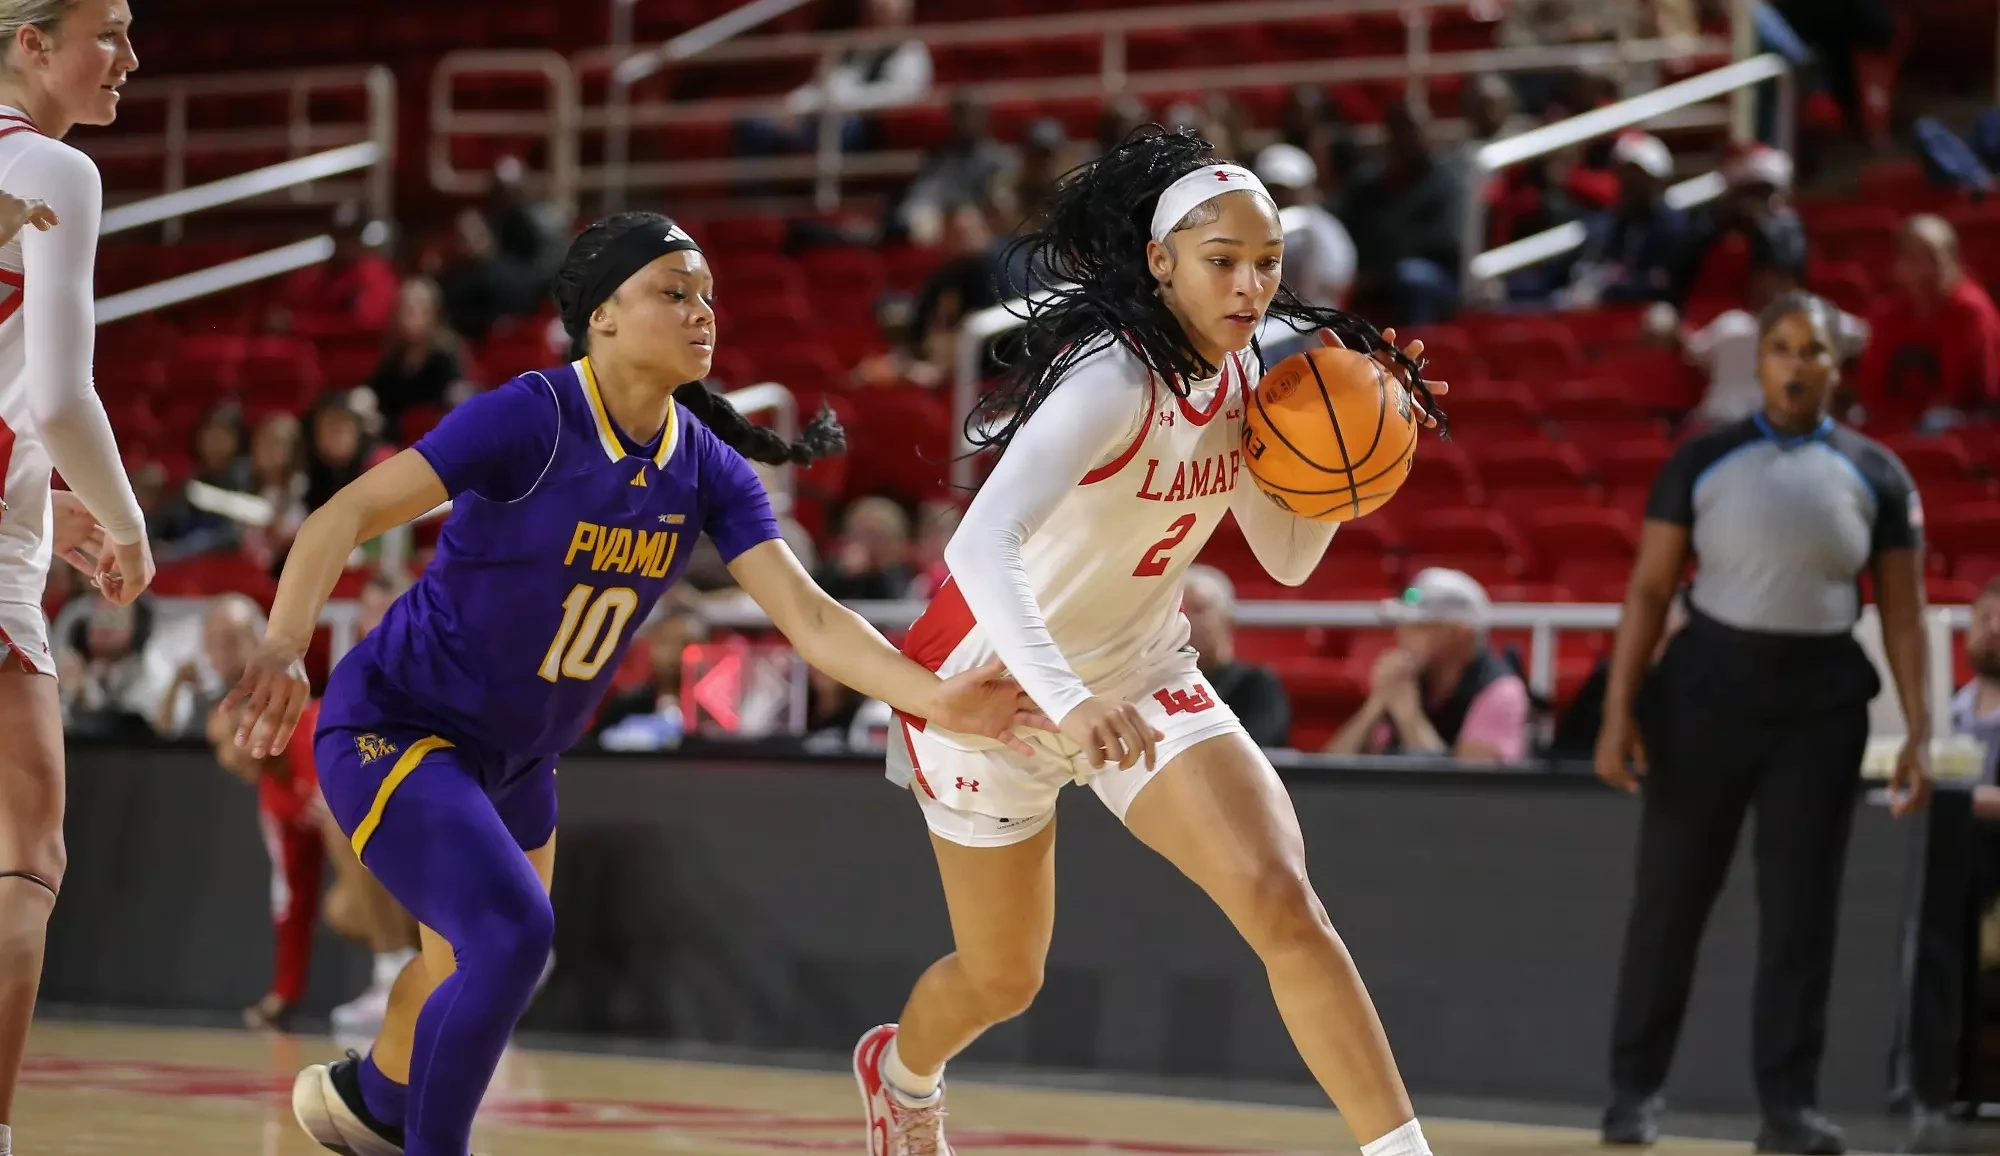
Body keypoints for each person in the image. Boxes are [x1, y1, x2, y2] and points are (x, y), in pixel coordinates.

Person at [222, 211, 1050, 1156]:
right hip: (400, 723)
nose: (702, 312)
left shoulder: (706, 468)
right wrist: (288, 644)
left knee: (473, 960)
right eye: (673, 292)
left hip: (521, 759)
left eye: (706, 295)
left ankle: (371, 1099)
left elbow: (812, 618)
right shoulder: (530, 417)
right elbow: (348, 512)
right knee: (510, 941)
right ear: (603, 316)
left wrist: (935, 699)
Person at [861, 127, 1447, 1156]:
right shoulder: (1109, 380)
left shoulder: (1247, 368)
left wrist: (1350, 456)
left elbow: (1287, 554)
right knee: (1003, 976)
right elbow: (979, 546)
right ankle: (901, 1073)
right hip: (992, 683)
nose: (1250, 285)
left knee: (1281, 901)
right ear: (1160, 260)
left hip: (1137, 669)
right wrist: (1066, 699)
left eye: (1266, 263)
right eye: (1222, 261)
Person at [1595, 290, 1934, 1154]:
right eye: (1779, 348)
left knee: (1801, 914)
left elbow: (1901, 611)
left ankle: (1788, 1108)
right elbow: (1647, 590)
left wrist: (1922, 732)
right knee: (1670, 901)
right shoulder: (1702, 458)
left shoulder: (1880, 473)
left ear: (1835, 365)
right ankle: (1634, 1092)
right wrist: (1618, 710)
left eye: (1809, 351)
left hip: (1819, 707)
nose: (1793, 364)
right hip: (1704, 693)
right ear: (1763, 362)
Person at [0, 7, 149, 1151]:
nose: (132, 59)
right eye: (110, 31)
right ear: (32, 43)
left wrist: (49, 503)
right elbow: (56, 394)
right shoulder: (51, 165)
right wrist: (122, 516)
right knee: (25, 857)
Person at [1322, 568, 1530, 765]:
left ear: (1459, 634)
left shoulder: (1501, 690)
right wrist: (1376, 704)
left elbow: (1468, 789)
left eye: (1420, 627)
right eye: (1403, 625)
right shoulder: (1410, 680)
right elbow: (1330, 771)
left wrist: (1409, 718)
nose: (1402, 635)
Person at [1855, 215, 2000, 431]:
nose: (1925, 269)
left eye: (1933, 258)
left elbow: (1985, 395)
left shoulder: (1972, 313)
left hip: (1963, 427)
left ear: (1953, 261)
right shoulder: (1885, 315)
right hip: (1900, 426)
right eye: (1913, 257)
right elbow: (1872, 394)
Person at [1180, 564, 1290, 748]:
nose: (1187, 621)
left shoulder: (1256, 685)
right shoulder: (1164, 685)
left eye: (1199, 609)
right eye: (1182, 612)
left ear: (1227, 619)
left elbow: (1258, 747)